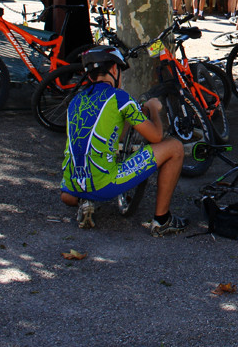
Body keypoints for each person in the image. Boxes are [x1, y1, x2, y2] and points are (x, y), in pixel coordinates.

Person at [60, 46, 188, 235]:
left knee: (72, 189)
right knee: (175, 147)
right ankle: (162, 220)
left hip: (70, 188)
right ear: (113, 70)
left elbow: (109, 136)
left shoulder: (75, 101)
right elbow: (156, 137)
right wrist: (153, 108)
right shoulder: (120, 98)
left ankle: (84, 200)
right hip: (105, 184)